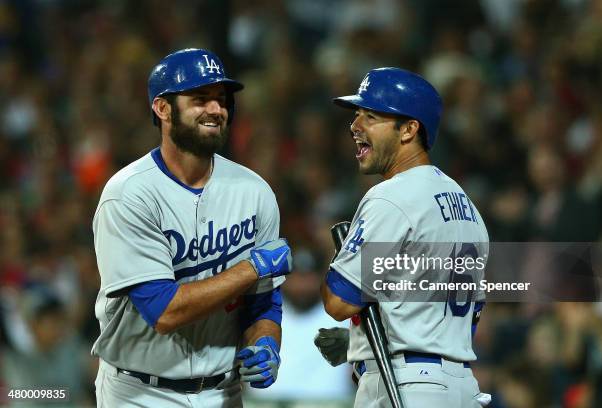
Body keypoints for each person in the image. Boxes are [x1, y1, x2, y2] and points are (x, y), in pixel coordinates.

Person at [92, 48, 292, 408]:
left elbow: (263, 303)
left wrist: (265, 341)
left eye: (221, 100)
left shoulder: (255, 192)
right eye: (200, 99)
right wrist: (251, 269)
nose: (216, 110)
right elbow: (164, 311)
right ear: (162, 108)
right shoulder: (129, 194)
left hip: (223, 391)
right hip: (141, 393)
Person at [316, 67, 491, 407]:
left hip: (407, 384)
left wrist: (341, 263)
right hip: (460, 386)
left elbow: (339, 301)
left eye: (371, 116)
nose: (355, 126)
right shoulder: (464, 203)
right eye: (356, 116)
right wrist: (360, 341)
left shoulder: (392, 197)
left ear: (410, 129)